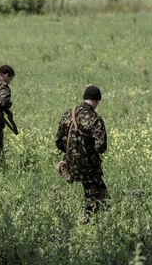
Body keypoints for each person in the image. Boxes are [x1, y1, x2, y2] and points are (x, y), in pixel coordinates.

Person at [55, 85, 108, 224]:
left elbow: (58, 141)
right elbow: (101, 147)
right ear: (96, 101)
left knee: (102, 195)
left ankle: (101, 220)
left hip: (72, 164)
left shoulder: (68, 114)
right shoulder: (94, 118)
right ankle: (85, 223)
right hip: (89, 167)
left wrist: (74, 153)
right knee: (96, 196)